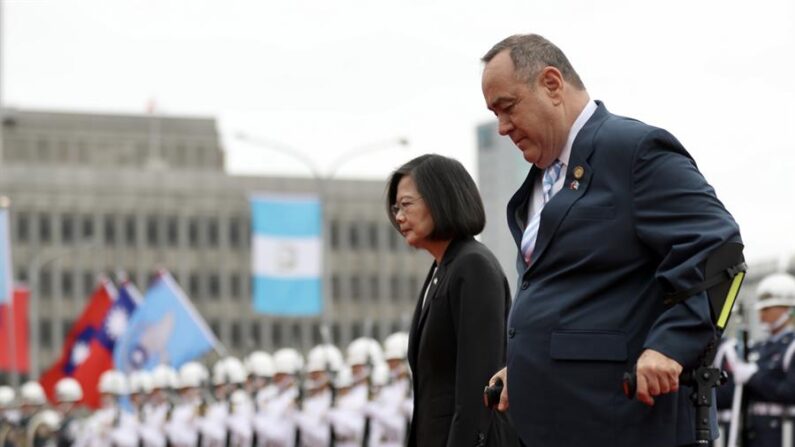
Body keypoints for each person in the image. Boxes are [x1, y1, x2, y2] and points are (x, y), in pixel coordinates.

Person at [480, 34, 742, 447]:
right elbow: (575, 293)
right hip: (554, 423)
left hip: (620, 421)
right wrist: (526, 366)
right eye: (494, 114)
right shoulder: (538, 183)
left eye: (507, 107)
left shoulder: (633, 150)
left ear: (551, 84)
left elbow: (719, 251)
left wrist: (671, 346)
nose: (502, 127)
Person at [386, 153, 516, 447]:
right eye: (396, 208)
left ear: (441, 199)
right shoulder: (442, 268)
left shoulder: (472, 266)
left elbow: (476, 388)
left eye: (406, 205)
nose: (399, 217)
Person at [724, 272, 795, 447]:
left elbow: (790, 392)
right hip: (755, 432)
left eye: (767, 308)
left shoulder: (792, 346)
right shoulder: (760, 348)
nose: (761, 314)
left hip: (784, 433)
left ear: (788, 309)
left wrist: (754, 376)